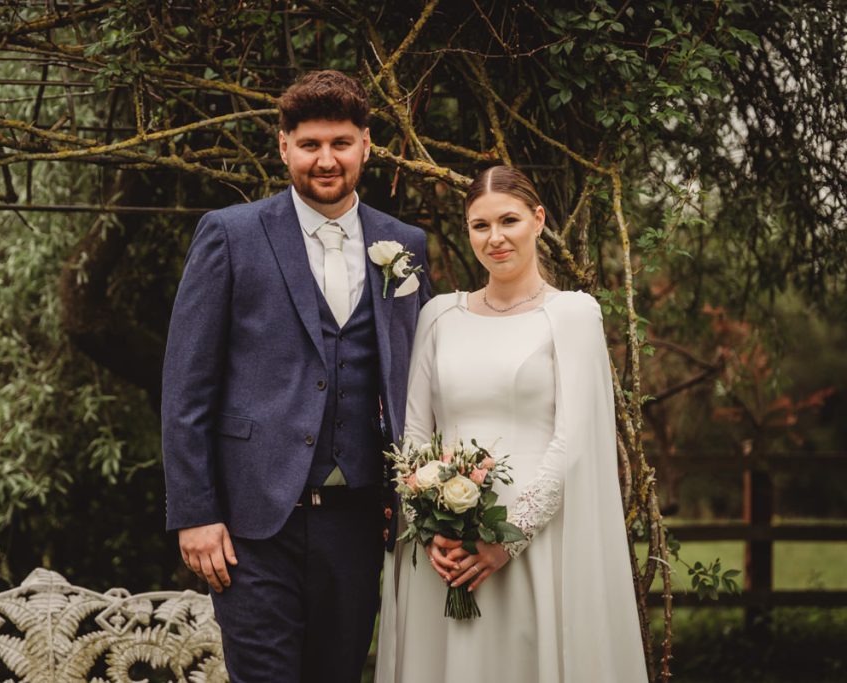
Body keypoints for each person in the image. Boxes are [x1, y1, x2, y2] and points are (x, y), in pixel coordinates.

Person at [160, 70, 431, 683]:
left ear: (366, 143)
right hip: (253, 525)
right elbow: (185, 388)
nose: (326, 159)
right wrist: (194, 513)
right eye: (310, 145)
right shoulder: (230, 235)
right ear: (284, 147)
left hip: (360, 520)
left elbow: (415, 377)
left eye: (340, 143)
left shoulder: (404, 242)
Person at [375, 165, 648, 682]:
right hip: (446, 553)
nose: (495, 238)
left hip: (534, 544)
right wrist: (434, 528)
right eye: (480, 225)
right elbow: (412, 437)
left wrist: (509, 538)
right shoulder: (439, 316)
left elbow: (575, 441)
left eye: (509, 220)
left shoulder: (572, 315)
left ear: (538, 219)